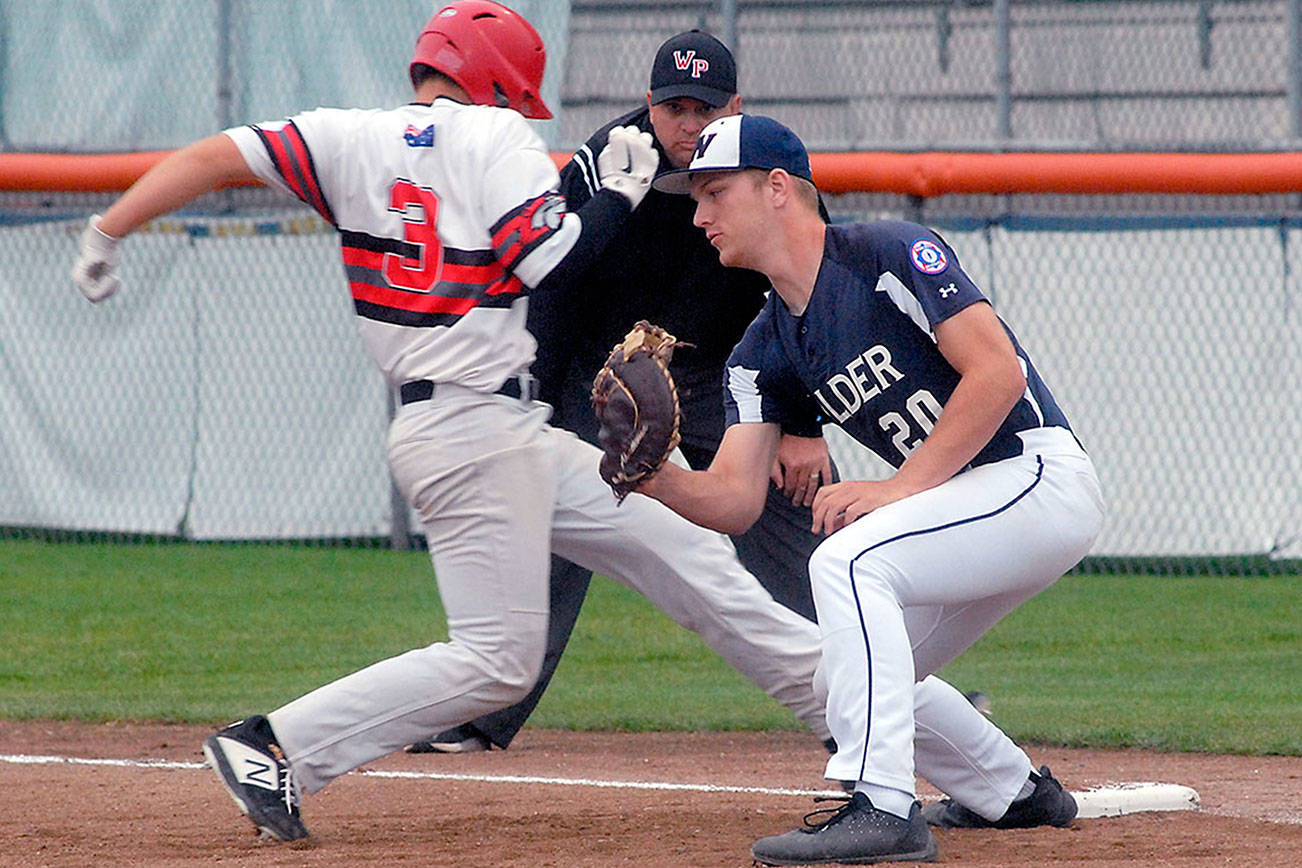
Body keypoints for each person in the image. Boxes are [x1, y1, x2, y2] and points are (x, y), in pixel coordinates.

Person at [70, 4, 831, 842]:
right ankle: (275, 746)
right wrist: (613, 196)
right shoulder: (495, 138)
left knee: (692, 556)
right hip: (478, 428)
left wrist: (111, 227)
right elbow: (547, 260)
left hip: (493, 428)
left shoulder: (345, 136)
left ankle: (882, 719)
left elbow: (217, 155)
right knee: (497, 660)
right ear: (499, 82)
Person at [645, 114, 1105, 864]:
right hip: (965, 504)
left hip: (1036, 477)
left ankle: (881, 805)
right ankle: (1013, 792)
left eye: (715, 192)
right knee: (842, 676)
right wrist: (652, 477)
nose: (699, 215)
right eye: (694, 197)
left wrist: (900, 488)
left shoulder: (883, 252)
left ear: (778, 189)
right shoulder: (763, 348)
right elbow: (733, 499)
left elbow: (998, 373)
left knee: (849, 562)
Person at [409, 28, 837, 756]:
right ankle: (484, 715)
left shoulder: (766, 171)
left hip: (718, 372)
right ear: (649, 103)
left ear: (734, 106)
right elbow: (549, 281)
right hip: (603, 373)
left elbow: (802, 294)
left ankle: (885, 688)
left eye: (706, 108)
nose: (690, 124)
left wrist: (800, 419)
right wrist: (535, 399)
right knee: (557, 527)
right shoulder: (608, 160)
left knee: (798, 519)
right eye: (675, 106)